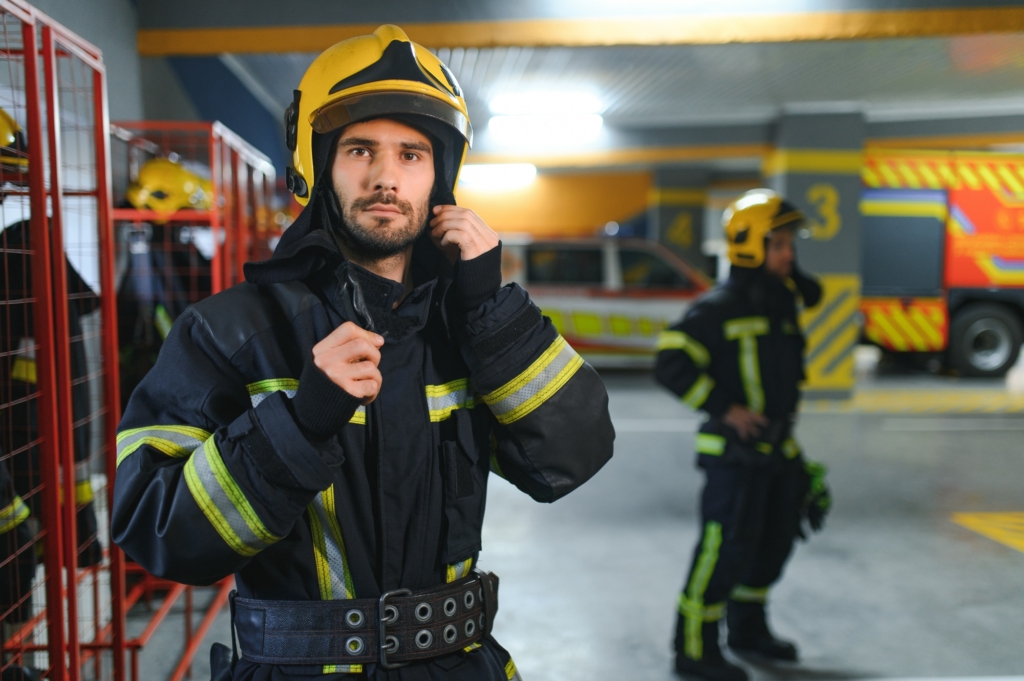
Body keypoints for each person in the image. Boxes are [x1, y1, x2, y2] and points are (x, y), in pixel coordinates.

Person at [111, 25, 614, 681]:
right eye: (359, 150)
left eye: (411, 154)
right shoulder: (230, 330)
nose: (385, 177)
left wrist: (492, 316)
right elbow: (155, 528)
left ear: (442, 175)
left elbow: (572, 457)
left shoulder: (474, 327)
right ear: (318, 165)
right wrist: (298, 424)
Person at [654, 189, 832, 681]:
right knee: (724, 550)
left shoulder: (779, 302)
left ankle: (749, 631)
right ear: (751, 245)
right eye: (779, 244)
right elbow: (670, 362)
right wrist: (724, 407)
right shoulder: (720, 306)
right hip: (733, 456)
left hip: (778, 451)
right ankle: (694, 649)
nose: (789, 254)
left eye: (790, 244)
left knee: (772, 543)